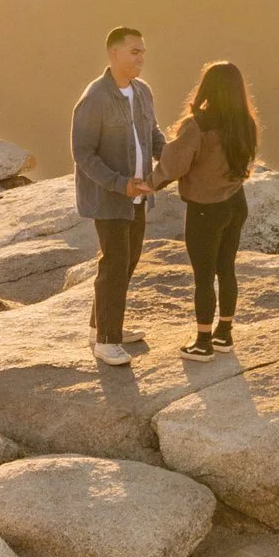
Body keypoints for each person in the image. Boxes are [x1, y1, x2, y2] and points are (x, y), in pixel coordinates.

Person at [71, 26, 164, 364]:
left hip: (139, 194)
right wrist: (118, 183)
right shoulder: (95, 97)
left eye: (143, 51)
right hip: (110, 198)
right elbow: (83, 153)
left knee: (127, 261)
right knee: (114, 264)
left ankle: (103, 327)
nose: (141, 58)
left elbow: (153, 133)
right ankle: (107, 341)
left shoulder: (142, 93)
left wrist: (170, 159)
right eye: (134, 52)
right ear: (114, 54)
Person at [155, 59, 259, 357]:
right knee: (226, 269)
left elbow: (173, 166)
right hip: (236, 204)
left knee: (203, 276)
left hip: (205, 209)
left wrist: (147, 184)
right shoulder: (245, 123)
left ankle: (202, 343)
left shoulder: (197, 126)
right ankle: (224, 335)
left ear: (207, 87)